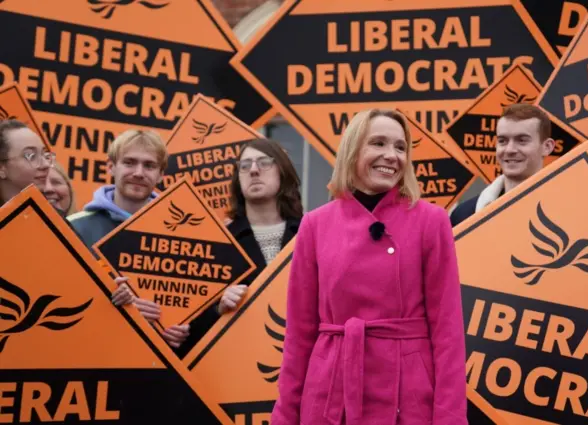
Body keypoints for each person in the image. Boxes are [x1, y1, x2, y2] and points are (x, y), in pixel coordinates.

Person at [271, 109, 468, 424]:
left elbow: (448, 333)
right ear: (353, 150)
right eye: (378, 143)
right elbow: (298, 333)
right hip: (330, 393)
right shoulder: (315, 225)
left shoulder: (431, 221)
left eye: (400, 147)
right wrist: (285, 416)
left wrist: (450, 417)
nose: (391, 156)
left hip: (409, 396)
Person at [176, 138, 303, 357]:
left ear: (282, 172)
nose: (254, 170)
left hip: (298, 360)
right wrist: (219, 307)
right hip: (237, 362)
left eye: (264, 163)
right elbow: (189, 323)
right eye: (245, 166)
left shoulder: (309, 233)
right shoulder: (218, 240)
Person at [0, 119, 133, 307]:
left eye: (46, 155)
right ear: (2, 168)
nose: (45, 164)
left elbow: (86, 284)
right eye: (30, 155)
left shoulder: (58, 222)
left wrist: (113, 291)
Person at [68, 129, 179, 345]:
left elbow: (191, 301)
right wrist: (108, 298)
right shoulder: (75, 227)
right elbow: (61, 297)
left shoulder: (184, 234)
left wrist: (181, 326)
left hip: (160, 363)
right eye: (129, 162)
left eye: (149, 165)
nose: (139, 173)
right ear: (111, 167)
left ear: (161, 174)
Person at [449, 103, 556, 227]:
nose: (510, 150)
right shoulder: (464, 215)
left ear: (547, 147)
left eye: (522, 140)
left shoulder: (570, 207)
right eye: (502, 141)